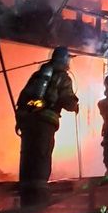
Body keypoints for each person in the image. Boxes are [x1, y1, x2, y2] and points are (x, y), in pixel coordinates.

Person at [15, 46, 79, 185]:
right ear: (64, 60)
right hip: (46, 122)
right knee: (42, 156)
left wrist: (20, 121)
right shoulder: (63, 77)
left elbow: (23, 98)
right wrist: (75, 104)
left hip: (28, 121)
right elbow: (67, 100)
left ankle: (25, 187)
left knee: (27, 154)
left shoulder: (37, 76)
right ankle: (39, 189)